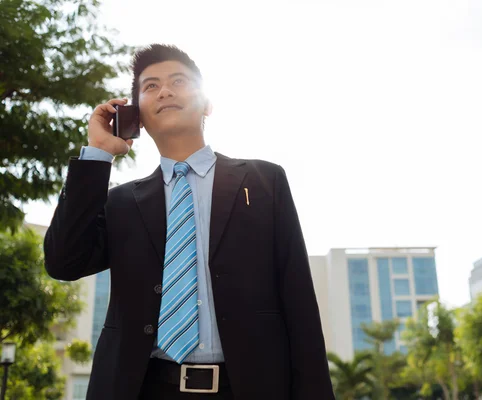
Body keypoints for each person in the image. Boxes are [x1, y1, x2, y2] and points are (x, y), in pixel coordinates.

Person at [44, 44, 334, 400]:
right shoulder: (121, 201)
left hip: (247, 387)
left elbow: (300, 302)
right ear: (137, 114)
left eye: (178, 81)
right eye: (150, 86)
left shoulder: (264, 181)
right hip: (142, 387)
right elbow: (63, 262)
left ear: (206, 103)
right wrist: (98, 154)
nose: (164, 90)